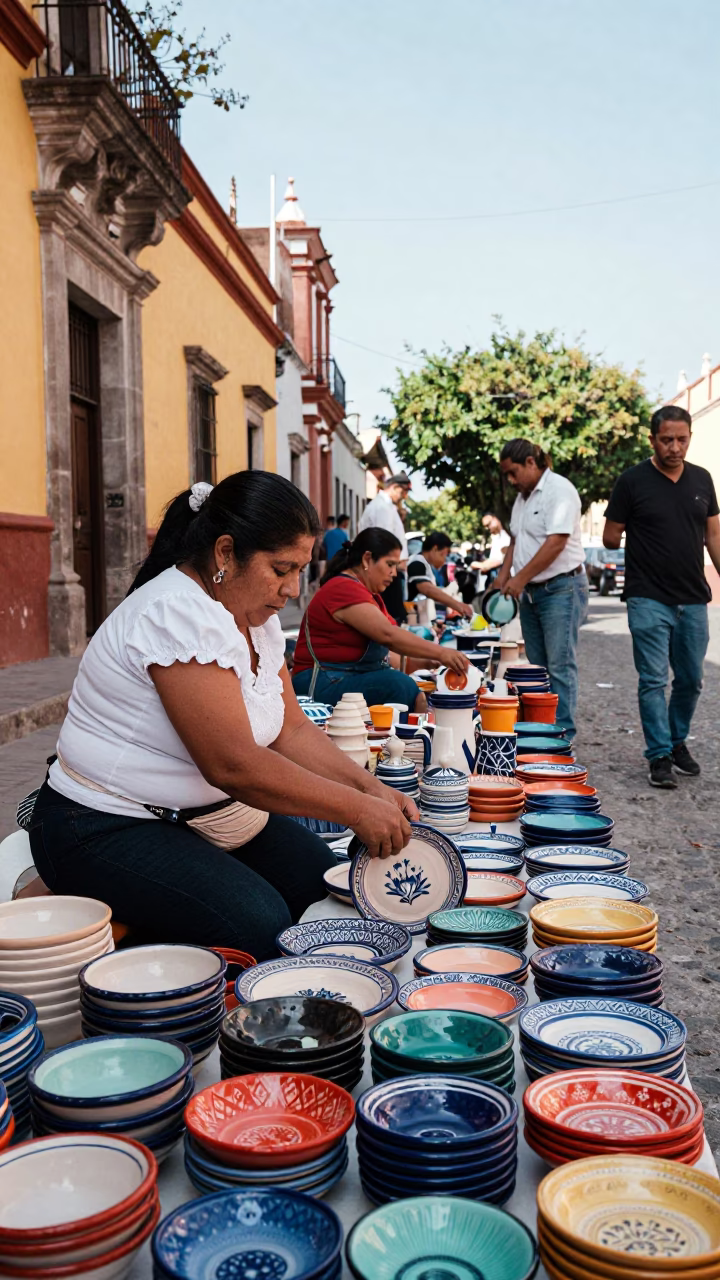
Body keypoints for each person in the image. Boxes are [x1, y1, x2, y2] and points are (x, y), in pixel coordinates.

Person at [27, 472, 417, 961]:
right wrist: (355, 810)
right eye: (281, 569)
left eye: (300, 570)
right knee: (261, 924)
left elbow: (291, 728)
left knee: (323, 889)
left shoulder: (257, 619)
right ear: (226, 553)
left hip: (201, 817)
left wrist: (369, 787)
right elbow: (232, 766)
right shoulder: (177, 613)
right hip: (100, 826)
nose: (293, 589)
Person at [603, 404, 720, 789]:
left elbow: (713, 536)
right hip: (647, 596)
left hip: (692, 598)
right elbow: (610, 536)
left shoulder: (703, 480)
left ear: (689, 438)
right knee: (653, 679)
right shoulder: (632, 481)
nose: (674, 447)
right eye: (666, 439)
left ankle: (676, 740)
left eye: (681, 439)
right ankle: (659, 756)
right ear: (652, 439)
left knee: (691, 679)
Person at [292, 528, 470, 710]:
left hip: (342, 678)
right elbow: (388, 636)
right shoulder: (342, 587)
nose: (394, 573)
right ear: (367, 559)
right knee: (399, 686)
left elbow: (386, 653)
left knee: (411, 686)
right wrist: (442, 653)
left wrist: (424, 662)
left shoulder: (368, 594)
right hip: (320, 684)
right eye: (390, 564)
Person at [494, 439, 588, 738]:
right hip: (532, 593)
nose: (510, 480)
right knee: (538, 668)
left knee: (560, 665)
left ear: (531, 463)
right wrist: (503, 574)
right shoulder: (523, 499)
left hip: (562, 588)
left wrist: (518, 578)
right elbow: (515, 540)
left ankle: (563, 736)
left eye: (513, 472)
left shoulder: (560, 490)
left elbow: (556, 543)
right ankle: (543, 731)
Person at [358, 472, 412, 623]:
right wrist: (393, 566)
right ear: (394, 487)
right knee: (391, 617)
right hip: (385, 571)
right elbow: (384, 544)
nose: (404, 497)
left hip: (390, 570)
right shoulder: (382, 507)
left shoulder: (387, 506)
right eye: (403, 492)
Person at [406, 532, 473, 624]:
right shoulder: (417, 563)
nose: (445, 560)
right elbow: (428, 590)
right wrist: (458, 605)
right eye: (444, 555)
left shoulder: (425, 565)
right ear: (435, 549)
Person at [475, 514, 511, 584]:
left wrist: (481, 565)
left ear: (496, 519)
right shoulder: (497, 537)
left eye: (488, 525)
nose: (487, 528)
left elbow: (501, 560)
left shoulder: (506, 536)